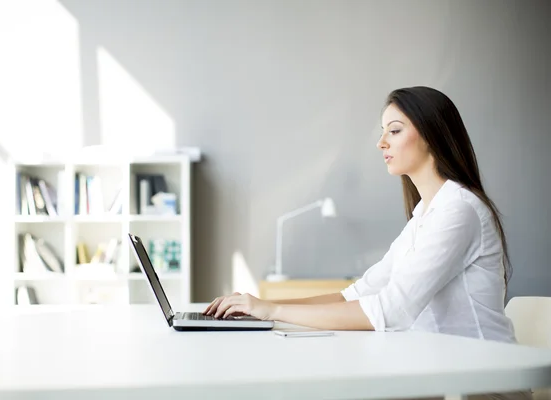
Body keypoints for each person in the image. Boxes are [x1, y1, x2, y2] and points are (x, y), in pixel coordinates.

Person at [204, 86, 532, 400]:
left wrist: (273, 310)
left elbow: (392, 310)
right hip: (436, 374)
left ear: (431, 135)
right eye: (383, 131)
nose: (381, 143)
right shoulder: (425, 214)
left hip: (481, 384)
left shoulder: (459, 209)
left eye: (394, 130)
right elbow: (358, 294)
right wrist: (262, 309)